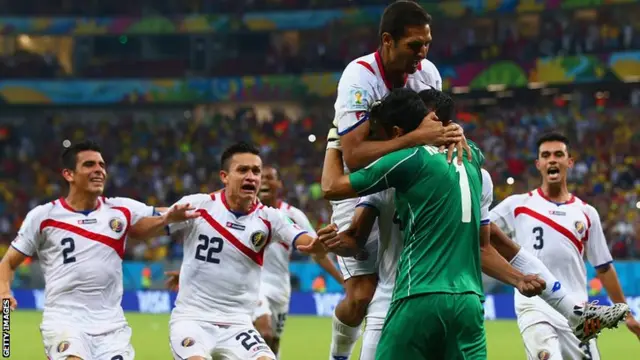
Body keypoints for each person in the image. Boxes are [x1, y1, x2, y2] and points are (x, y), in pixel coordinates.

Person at [321, 88, 548, 359]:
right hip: (469, 302)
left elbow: (332, 187)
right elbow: (481, 247)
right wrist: (518, 278)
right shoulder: (472, 158)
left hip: (416, 293)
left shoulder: (404, 161)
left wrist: (337, 137)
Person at [324, 2, 470, 358]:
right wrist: (415, 139)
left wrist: (454, 130)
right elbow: (355, 156)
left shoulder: (428, 73)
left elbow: (435, 125)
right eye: (414, 46)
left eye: (427, 45)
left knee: (401, 279)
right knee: (361, 294)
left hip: (406, 179)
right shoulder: (359, 77)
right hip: (359, 179)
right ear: (387, 41)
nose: (422, 56)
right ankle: (338, 353)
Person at [0, 140, 194, 360]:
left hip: (111, 328)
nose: (99, 170)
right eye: (89, 165)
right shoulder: (43, 217)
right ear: (69, 174)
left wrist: (178, 215)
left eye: (101, 165)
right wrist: (4, 291)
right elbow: (7, 263)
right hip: (65, 322)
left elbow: (166, 215)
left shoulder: (121, 209)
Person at [153, 142, 326, 360]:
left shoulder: (272, 218)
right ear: (224, 176)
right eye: (243, 170)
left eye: (256, 171)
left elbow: (306, 241)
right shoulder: (199, 206)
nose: (251, 177)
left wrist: (318, 244)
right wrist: (159, 218)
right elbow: (146, 227)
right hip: (192, 320)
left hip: (238, 324)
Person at [490, 132, 637, 360]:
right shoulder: (518, 205)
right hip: (535, 306)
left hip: (576, 311)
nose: (552, 160)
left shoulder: (587, 213)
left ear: (569, 162)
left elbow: (604, 268)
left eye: (559, 154)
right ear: (538, 164)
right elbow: (479, 232)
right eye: (546, 155)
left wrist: (626, 314)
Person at [251, 165, 343, 358]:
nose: (265, 181)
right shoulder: (247, 212)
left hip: (281, 288)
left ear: (279, 185)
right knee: (264, 332)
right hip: (254, 285)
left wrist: (343, 281)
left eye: (270, 177)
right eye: (262, 177)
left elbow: (316, 252)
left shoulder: (293, 215)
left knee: (274, 343)